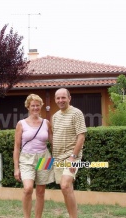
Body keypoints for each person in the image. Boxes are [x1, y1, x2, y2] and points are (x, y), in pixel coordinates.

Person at [13, 94, 54, 218]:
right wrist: (16, 168)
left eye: (37, 105)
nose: (35, 108)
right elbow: (16, 147)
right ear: (28, 107)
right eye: (33, 106)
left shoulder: (46, 123)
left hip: (44, 158)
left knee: (41, 192)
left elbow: (53, 143)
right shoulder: (21, 124)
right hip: (26, 158)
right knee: (28, 189)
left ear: (41, 106)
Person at [52, 88, 87, 218]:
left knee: (65, 185)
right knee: (65, 188)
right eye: (58, 98)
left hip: (71, 157)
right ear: (55, 100)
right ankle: (71, 214)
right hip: (58, 158)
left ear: (69, 98)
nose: (60, 100)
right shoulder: (55, 116)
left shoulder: (76, 113)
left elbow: (81, 136)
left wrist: (73, 157)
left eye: (63, 97)